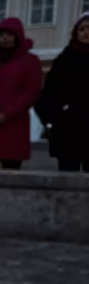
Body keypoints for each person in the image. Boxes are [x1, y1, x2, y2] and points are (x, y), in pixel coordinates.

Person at [0, 17, 42, 170]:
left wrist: (8, 113)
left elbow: (31, 91)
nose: (5, 39)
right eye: (1, 35)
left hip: (14, 125)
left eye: (9, 35)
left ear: (18, 37)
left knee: (12, 169)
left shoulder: (30, 61)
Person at [36, 13, 89, 172]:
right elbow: (49, 93)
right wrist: (54, 118)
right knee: (68, 175)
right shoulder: (64, 59)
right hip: (68, 129)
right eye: (82, 29)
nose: (86, 33)